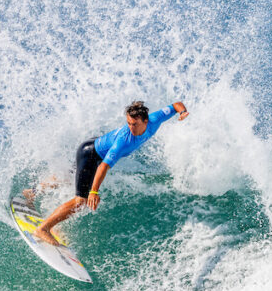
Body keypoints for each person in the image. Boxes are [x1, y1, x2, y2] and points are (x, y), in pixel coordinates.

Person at [32, 100, 189, 246]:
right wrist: (93, 191)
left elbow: (175, 105)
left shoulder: (155, 119)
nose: (131, 127)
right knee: (81, 201)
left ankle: (32, 193)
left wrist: (182, 112)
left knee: (68, 178)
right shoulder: (124, 140)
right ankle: (43, 229)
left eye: (134, 124)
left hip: (94, 145)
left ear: (145, 121)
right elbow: (104, 166)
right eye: (128, 123)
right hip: (91, 154)